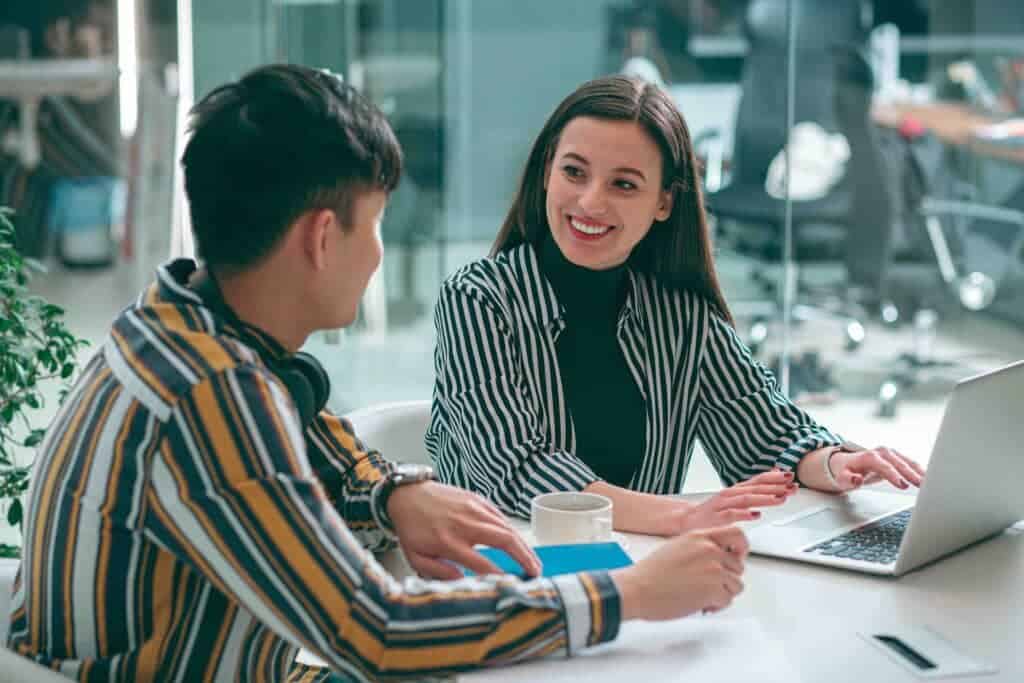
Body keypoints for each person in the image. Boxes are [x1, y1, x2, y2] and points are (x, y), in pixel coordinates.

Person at [7, 64, 749, 683]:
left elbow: (314, 438)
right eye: (378, 221)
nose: (380, 253)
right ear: (324, 237)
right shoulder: (212, 397)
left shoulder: (180, 321)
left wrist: (394, 494)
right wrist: (631, 594)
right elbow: (378, 629)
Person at [426, 75, 925, 536]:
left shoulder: (682, 316)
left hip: (646, 571)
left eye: (623, 184)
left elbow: (767, 438)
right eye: (574, 172)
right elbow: (515, 472)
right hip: (504, 573)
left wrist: (837, 464)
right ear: (546, 173)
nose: (590, 202)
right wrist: (685, 517)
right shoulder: (478, 300)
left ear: (664, 202)